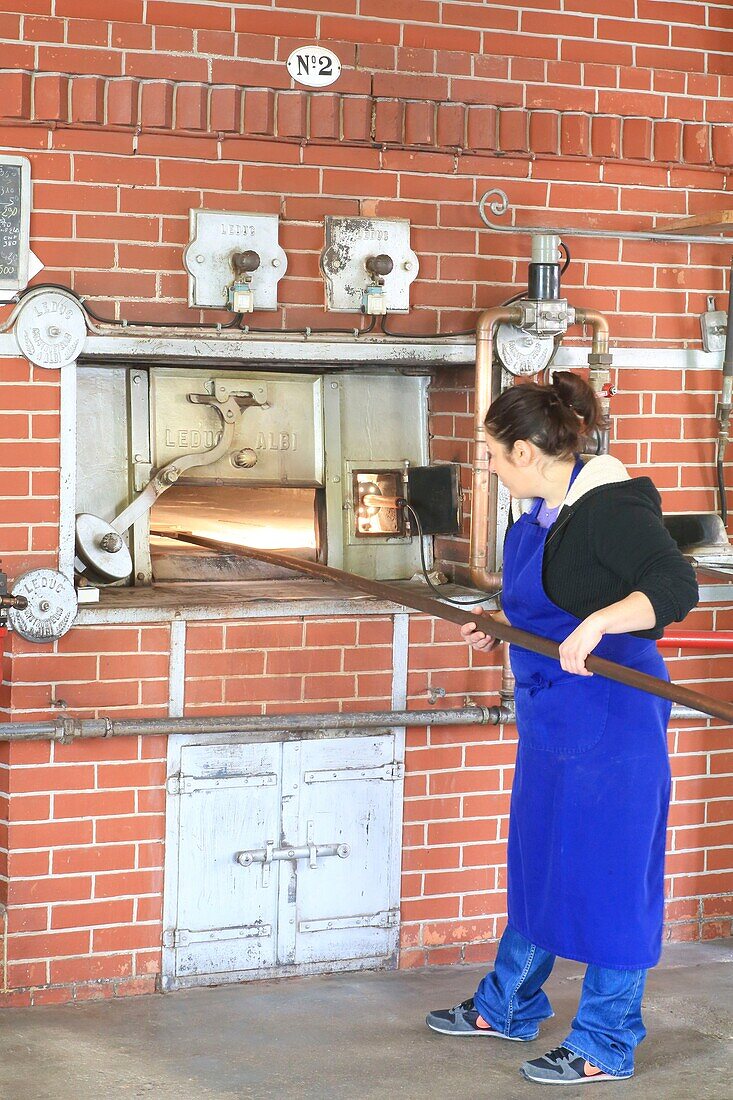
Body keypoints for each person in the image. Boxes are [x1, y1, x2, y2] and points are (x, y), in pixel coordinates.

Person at [426, 372, 699, 1085]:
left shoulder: (609, 509)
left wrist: (603, 622)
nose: (483, 466)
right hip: (552, 718)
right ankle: (507, 1004)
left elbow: (673, 587)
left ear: (524, 450)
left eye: (489, 453)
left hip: (612, 718)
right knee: (538, 863)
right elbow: (554, 593)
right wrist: (501, 624)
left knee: (610, 880)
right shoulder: (536, 514)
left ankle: (605, 1042)